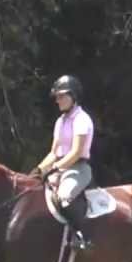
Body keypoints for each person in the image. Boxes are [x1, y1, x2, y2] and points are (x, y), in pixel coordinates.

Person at [30, 75, 95, 250]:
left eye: (61, 96)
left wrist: (56, 168)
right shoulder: (60, 121)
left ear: (73, 96)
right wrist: (38, 169)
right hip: (60, 167)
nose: (57, 100)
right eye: (56, 97)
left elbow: (76, 152)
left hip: (78, 167)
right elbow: (54, 152)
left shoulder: (82, 119)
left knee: (64, 197)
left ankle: (81, 235)